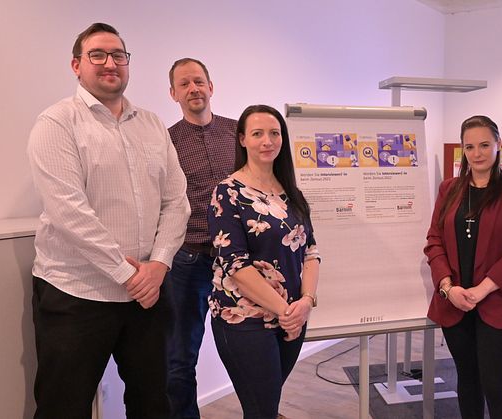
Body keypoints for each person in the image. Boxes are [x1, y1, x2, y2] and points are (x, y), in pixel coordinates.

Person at [26, 23, 190, 418]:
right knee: (63, 406)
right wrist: (128, 274)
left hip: (148, 294)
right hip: (76, 293)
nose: (109, 63)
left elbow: (176, 201)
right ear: (76, 65)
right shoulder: (57, 123)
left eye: (118, 55)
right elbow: (69, 211)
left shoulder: (151, 124)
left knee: (154, 402)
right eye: (97, 55)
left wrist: (159, 264)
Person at [207, 104, 320, 418]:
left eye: (274, 133)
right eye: (257, 133)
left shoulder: (291, 193)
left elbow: (311, 253)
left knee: (266, 406)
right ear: (242, 139)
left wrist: (306, 302)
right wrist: (287, 311)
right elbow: (235, 265)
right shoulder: (227, 193)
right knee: (262, 410)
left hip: (291, 318)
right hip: (245, 319)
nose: (267, 140)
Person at [424, 115, 502, 418]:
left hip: (498, 300)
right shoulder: (449, 189)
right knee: (468, 379)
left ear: (499, 145)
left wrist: (481, 290)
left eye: (485, 145)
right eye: (470, 146)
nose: (477, 153)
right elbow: (434, 241)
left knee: (495, 384)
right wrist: (449, 288)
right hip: (454, 301)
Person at [166, 57, 237, 418]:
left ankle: (261, 409)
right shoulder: (166, 142)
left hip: (239, 260)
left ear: (211, 86)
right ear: (174, 93)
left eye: (198, 81)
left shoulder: (238, 133)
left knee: (251, 347)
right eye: (184, 84)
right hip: (189, 261)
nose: (193, 89)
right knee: (179, 357)